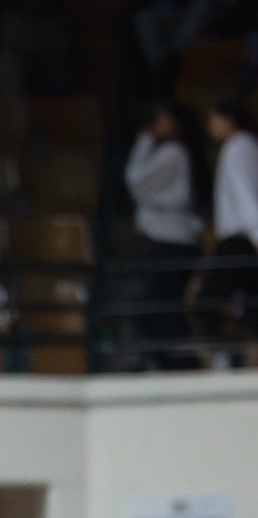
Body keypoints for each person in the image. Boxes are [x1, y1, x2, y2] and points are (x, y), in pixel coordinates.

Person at [125, 103, 206, 363]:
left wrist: (144, 141)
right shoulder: (176, 152)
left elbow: (136, 182)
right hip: (171, 240)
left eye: (164, 120)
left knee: (160, 309)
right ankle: (172, 365)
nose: (158, 125)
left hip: (173, 241)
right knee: (157, 309)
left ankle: (186, 366)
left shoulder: (173, 152)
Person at [203, 99, 258, 341]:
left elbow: (247, 194)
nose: (210, 125)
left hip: (240, 240)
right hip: (241, 238)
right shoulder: (243, 145)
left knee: (208, 301)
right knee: (246, 305)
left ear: (229, 119)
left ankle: (223, 356)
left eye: (213, 118)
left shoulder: (239, 146)